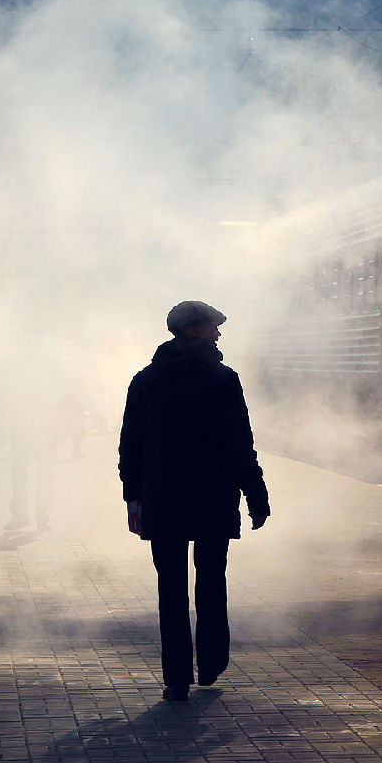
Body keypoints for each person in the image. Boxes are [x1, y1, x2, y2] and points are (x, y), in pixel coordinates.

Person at [118, 299, 270, 701]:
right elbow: (241, 445)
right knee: (211, 582)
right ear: (193, 330)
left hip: (163, 501)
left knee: (170, 590)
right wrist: (256, 495)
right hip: (212, 499)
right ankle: (212, 661)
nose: (219, 333)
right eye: (213, 327)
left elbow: (129, 448)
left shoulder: (145, 380)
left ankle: (177, 679)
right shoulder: (222, 380)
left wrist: (133, 499)